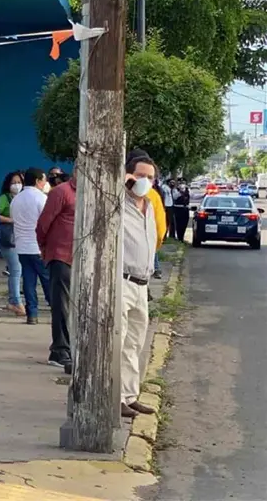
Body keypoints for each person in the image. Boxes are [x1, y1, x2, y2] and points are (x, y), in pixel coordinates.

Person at [120, 151, 159, 419]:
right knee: (117, 342)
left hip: (142, 284)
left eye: (150, 177)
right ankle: (115, 398)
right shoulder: (117, 202)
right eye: (140, 176)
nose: (145, 181)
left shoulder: (150, 206)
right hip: (122, 280)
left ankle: (130, 395)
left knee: (134, 343)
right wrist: (120, 181)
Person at [36, 173, 77, 373]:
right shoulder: (62, 192)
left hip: (85, 260)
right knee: (61, 305)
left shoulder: (96, 194)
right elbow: (43, 224)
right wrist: (46, 249)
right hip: (61, 256)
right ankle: (61, 350)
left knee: (77, 307)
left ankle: (67, 348)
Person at [11, 168, 52, 326]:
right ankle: (55, 307)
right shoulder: (41, 198)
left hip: (22, 247)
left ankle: (32, 314)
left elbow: (14, 218)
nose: (45, 183)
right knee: (47, 280)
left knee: (28, 281)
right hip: (38, 247)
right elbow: (47, 222)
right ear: (37, 181)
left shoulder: (16, 199)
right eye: (43, 179)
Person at [0, 171, 25, 316]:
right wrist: (10, 220)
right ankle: (15, 301)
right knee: (15, 269)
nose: (16, 185)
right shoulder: (4, 199)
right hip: (8, 238)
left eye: (19, 182)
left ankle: (15, 300)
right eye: (13, 182)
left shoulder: (23, 197)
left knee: (17, 270)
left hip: (20, 238)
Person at [146, 174, 167, 279]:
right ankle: (156, 269)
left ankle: (156, 268)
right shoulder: (153, 194)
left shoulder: (155, 194)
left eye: (149, 177)